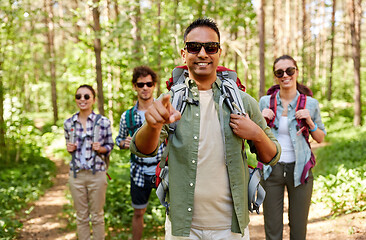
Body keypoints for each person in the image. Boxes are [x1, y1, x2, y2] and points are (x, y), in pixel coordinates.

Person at [129, 18, 281, 239]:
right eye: (194, 47)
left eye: (210, 47)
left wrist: (256, 133)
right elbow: (141, 149)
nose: (202, 53)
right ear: (184, 53)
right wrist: (153, 126)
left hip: (231, 227)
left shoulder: (242, 102)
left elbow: (272, 156)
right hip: (183, 226)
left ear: (220, 52)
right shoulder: (169, 102)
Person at [259, 55, 326, 240]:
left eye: (290, 70)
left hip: (301, 170)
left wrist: (310, 121)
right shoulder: (265, 102)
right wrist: (261, 120)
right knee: (272, 230)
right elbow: (255, 138)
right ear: (275, 76)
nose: (285, 75)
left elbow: (320, 137)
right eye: (280, 72)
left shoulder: (310, 104)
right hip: (271, 170)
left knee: (298, 230)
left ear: (296, 71)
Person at [115, 66, 165, 240]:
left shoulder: (163, 111)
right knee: (138, 212)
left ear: (154, 86)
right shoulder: (127, 116)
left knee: (173, 212)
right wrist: (123, 143)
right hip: (138, 173)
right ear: (134, 86)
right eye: (140, 84)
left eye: (149, 84)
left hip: (163, 170)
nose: (145, 87)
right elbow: (119, 140)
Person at [64, 84, 114, 240]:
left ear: (93, 99)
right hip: (76, 175)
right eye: (78, 96)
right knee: (81, 216)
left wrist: (101, 149)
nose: (82, 99)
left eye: (86, 96)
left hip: (97, 174)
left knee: (97, 215)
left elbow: (110, 146)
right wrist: (69, 148)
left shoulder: (103, 122)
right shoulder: (69, 123)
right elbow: (69, 147)